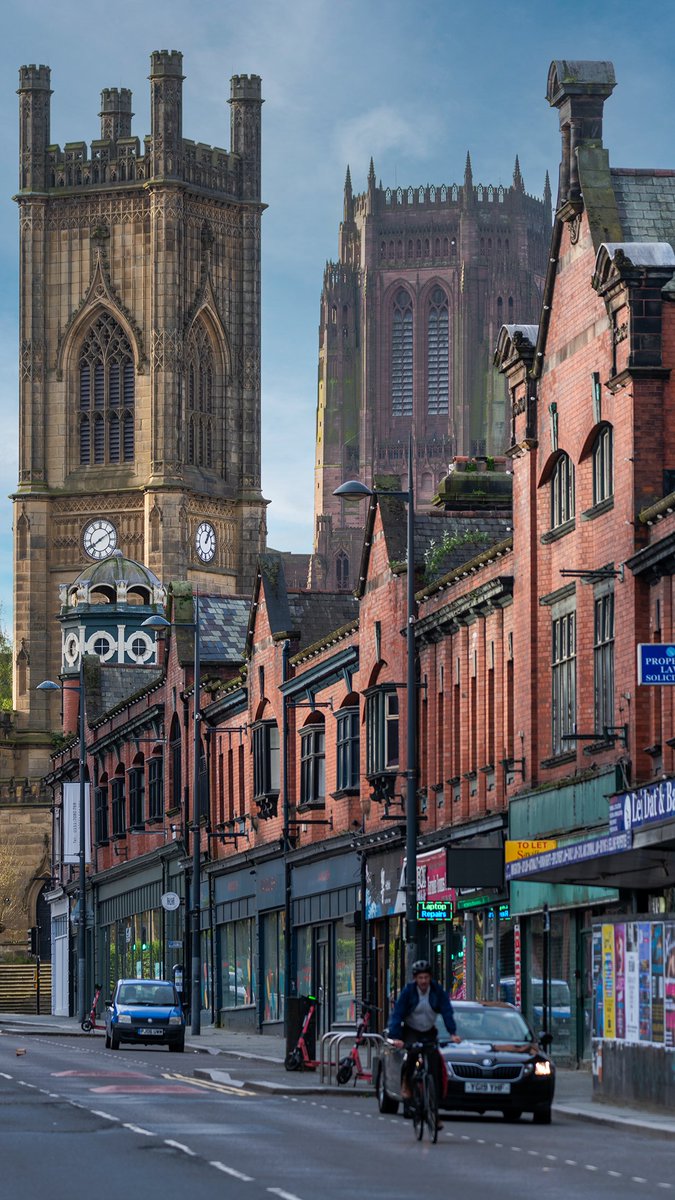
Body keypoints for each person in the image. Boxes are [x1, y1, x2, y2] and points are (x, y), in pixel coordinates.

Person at [389, 960, 461, 1124]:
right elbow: (397, 1014)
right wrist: (397, 1037)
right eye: (420, 978)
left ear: (430, 978)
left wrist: (452, 1033)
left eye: (426, 977)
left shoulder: (436, 991)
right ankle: (407, 1083)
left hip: (428, 1031)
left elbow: (446, 1010)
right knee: (412, 1054)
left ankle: (434, 1113)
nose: (423, 981)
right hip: (411, 1030)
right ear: (415, 978)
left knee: (434, 1066)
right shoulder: (408, 992)